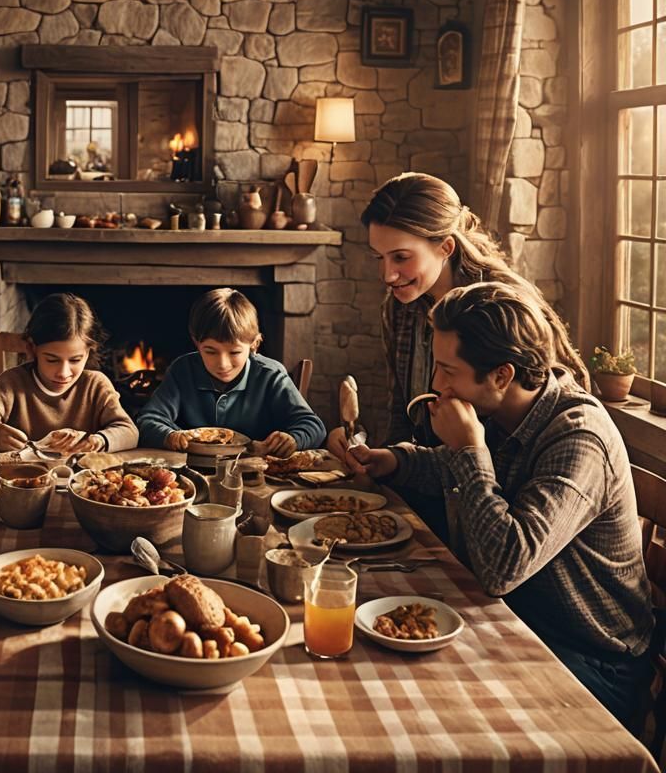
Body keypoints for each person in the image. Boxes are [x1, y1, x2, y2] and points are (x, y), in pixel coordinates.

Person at [349, 282, 653, 724]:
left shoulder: (579, 437)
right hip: (513, 621)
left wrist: (471, 449)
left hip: (588, 656)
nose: (437, 384)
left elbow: (503, 567)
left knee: (431, 714)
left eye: (448, 370)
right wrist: (392, 461)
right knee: (380, 678)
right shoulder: (503, 411)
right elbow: (449, 468)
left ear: (502, 375)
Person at [326, 173, 589, 535]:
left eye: (401, 257)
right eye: (379, 257)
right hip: (430, 484)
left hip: (495, 514)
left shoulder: (503, 307)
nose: (387, 274)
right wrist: (379, 463)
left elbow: (544, 411)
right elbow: (403, 409)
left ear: (446, 247)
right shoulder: (400, 306)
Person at [136, 288, 325, 457]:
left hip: (257, 472)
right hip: (195, 472)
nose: (223, 364)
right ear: (196, 343)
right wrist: (170, 436)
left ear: (254, 345)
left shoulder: (271, 374)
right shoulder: (183, 369)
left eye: (234, 352)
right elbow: (148, 420)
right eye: (210, 351)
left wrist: (293, 439)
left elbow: (313, 426)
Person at [0, 293, 138, 454]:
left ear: (88, 352)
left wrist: (99, 440)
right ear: (32, 349)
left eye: (75, 360)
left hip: (81, 486)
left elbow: (129, 432)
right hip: (24, 483)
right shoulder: (12, 383)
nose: (63, 373)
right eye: (52, 360)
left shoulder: (96, 385)